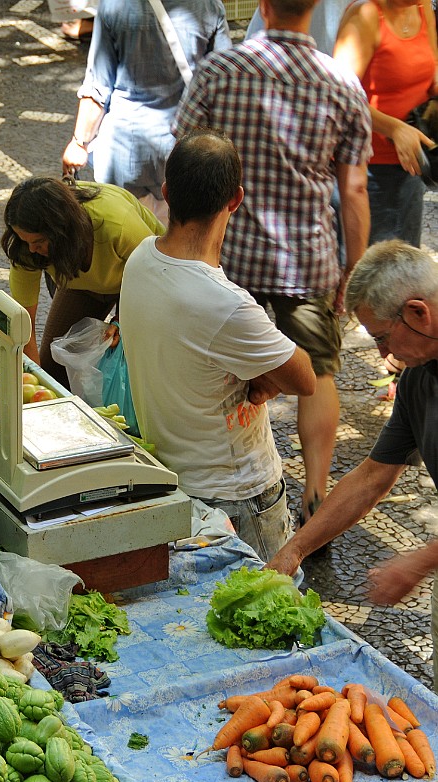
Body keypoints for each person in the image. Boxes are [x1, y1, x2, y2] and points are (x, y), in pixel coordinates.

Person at [175, 0, 372, 526]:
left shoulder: (219, 70)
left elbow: (187, 156)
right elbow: (353, 188)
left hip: (228, 252)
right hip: (307, 259)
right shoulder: (342, 83)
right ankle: (316, 491)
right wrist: (353, 267)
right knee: (320, 373)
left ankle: (218, 478)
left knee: (223, 365)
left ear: (262, 6)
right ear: (316, 9)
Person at [120, 129, 316, 561]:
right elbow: (304, 377)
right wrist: (265, 374)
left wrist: (261, 371)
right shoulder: (225, 305)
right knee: (272, 616)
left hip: (175, 482)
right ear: (235, 199)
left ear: (167, 192)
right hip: (239, 497)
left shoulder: (140, 259)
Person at [266, 240, 438, 689]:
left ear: (419, 313)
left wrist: (420, 560)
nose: (382, 354)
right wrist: (296, 548)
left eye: (382, 336)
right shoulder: (419, 375)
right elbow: (373, 475)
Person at [61, 0, 230, 223]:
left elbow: (98, 86)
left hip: (123, 152)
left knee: (124, 246)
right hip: (183, 152)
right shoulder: (208, 6)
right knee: (173, 249)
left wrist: (79, 142)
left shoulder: (114, 5)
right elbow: (222, 82)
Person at [1, 176, 164, 386]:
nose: (32, 249)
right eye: (26, 241)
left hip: (144, 282)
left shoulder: (116, 223)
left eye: (39, 242)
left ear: (61, 231)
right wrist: (34, 383)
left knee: (136, 371)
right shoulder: (25, 247)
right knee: (54, 369)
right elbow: (24, 324)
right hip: (84, 285)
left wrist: (121, 319)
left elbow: (155, 276)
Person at [333, 0, 438, 248]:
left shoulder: (422, 8)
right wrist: (394, 128)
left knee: (404, 267)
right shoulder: (366, 15)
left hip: (412, 164)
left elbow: (432, 72)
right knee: (367, 273)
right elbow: (338, 96)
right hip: (366, 170)